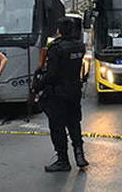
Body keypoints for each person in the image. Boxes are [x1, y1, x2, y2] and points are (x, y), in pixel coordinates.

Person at [34, 18, 88, 172]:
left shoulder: (56, 48)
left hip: (58, 93)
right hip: (74, 91)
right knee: (74, 123)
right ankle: (80, 155)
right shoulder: (79, 46)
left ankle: (63, 160)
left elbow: (51, 74)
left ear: (59, 30)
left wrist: (38, 85)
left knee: (57, 127)